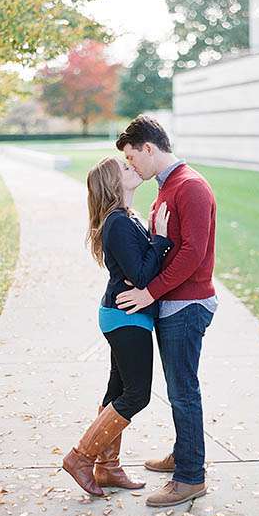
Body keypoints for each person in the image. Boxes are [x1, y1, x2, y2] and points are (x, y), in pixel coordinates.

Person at [113, 115, 217, 508]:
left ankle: (190, 477)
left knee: (183, 391)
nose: (131, 165)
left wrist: (149, 293)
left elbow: (192, 253)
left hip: (186, 304)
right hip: (173, 303)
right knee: (179, 390)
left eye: (131, 156)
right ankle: (185, 452)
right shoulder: (167, 186)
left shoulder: (189, 187)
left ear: (149, 148)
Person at [62, 157, 172, 497]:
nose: (132, 168)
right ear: (113, 184)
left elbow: (139, 271)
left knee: (117, 392)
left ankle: (108, 468)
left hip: (126, 315)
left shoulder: (126, 219)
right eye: (124, 169)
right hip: (125, 316)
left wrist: (152, 238)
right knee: (137, 395)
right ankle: (81, 457)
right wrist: (161, 239)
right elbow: (141, 275)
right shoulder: (118, 223)